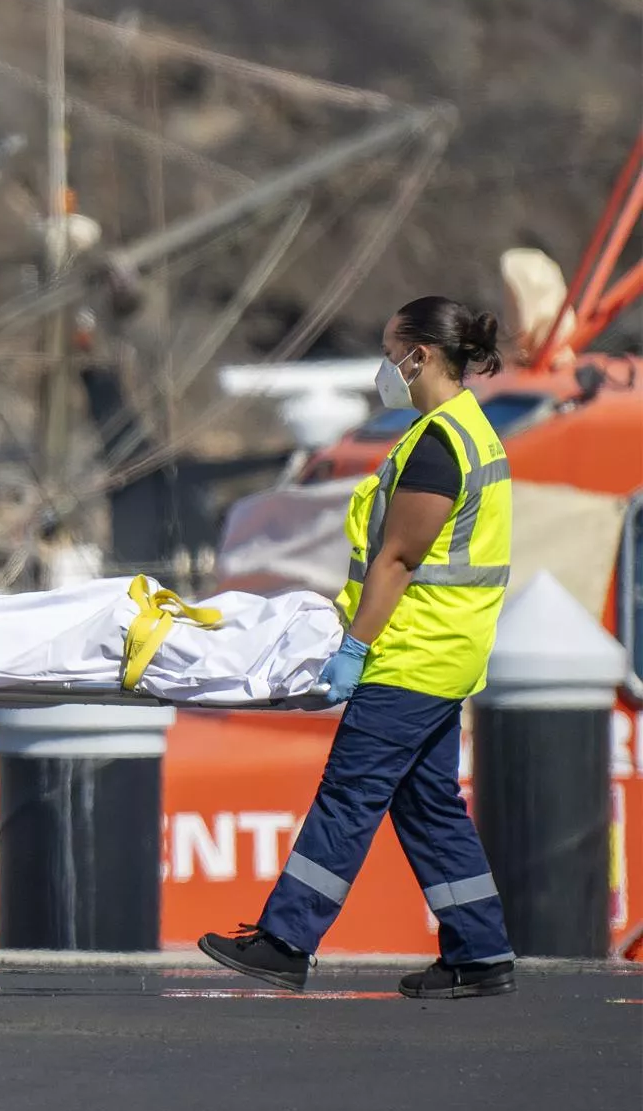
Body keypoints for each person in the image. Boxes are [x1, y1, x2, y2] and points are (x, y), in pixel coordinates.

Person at [200, 296, 516, 999]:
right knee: (428, 804)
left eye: (389, 351)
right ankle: (480, 950)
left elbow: (399, 559)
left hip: (412, 656)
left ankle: (285, 941)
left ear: (421, 356)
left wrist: (355, 647)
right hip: (446, 654)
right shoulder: (470, 433)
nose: (385, 368)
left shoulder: (439, 445)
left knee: (348, 796)